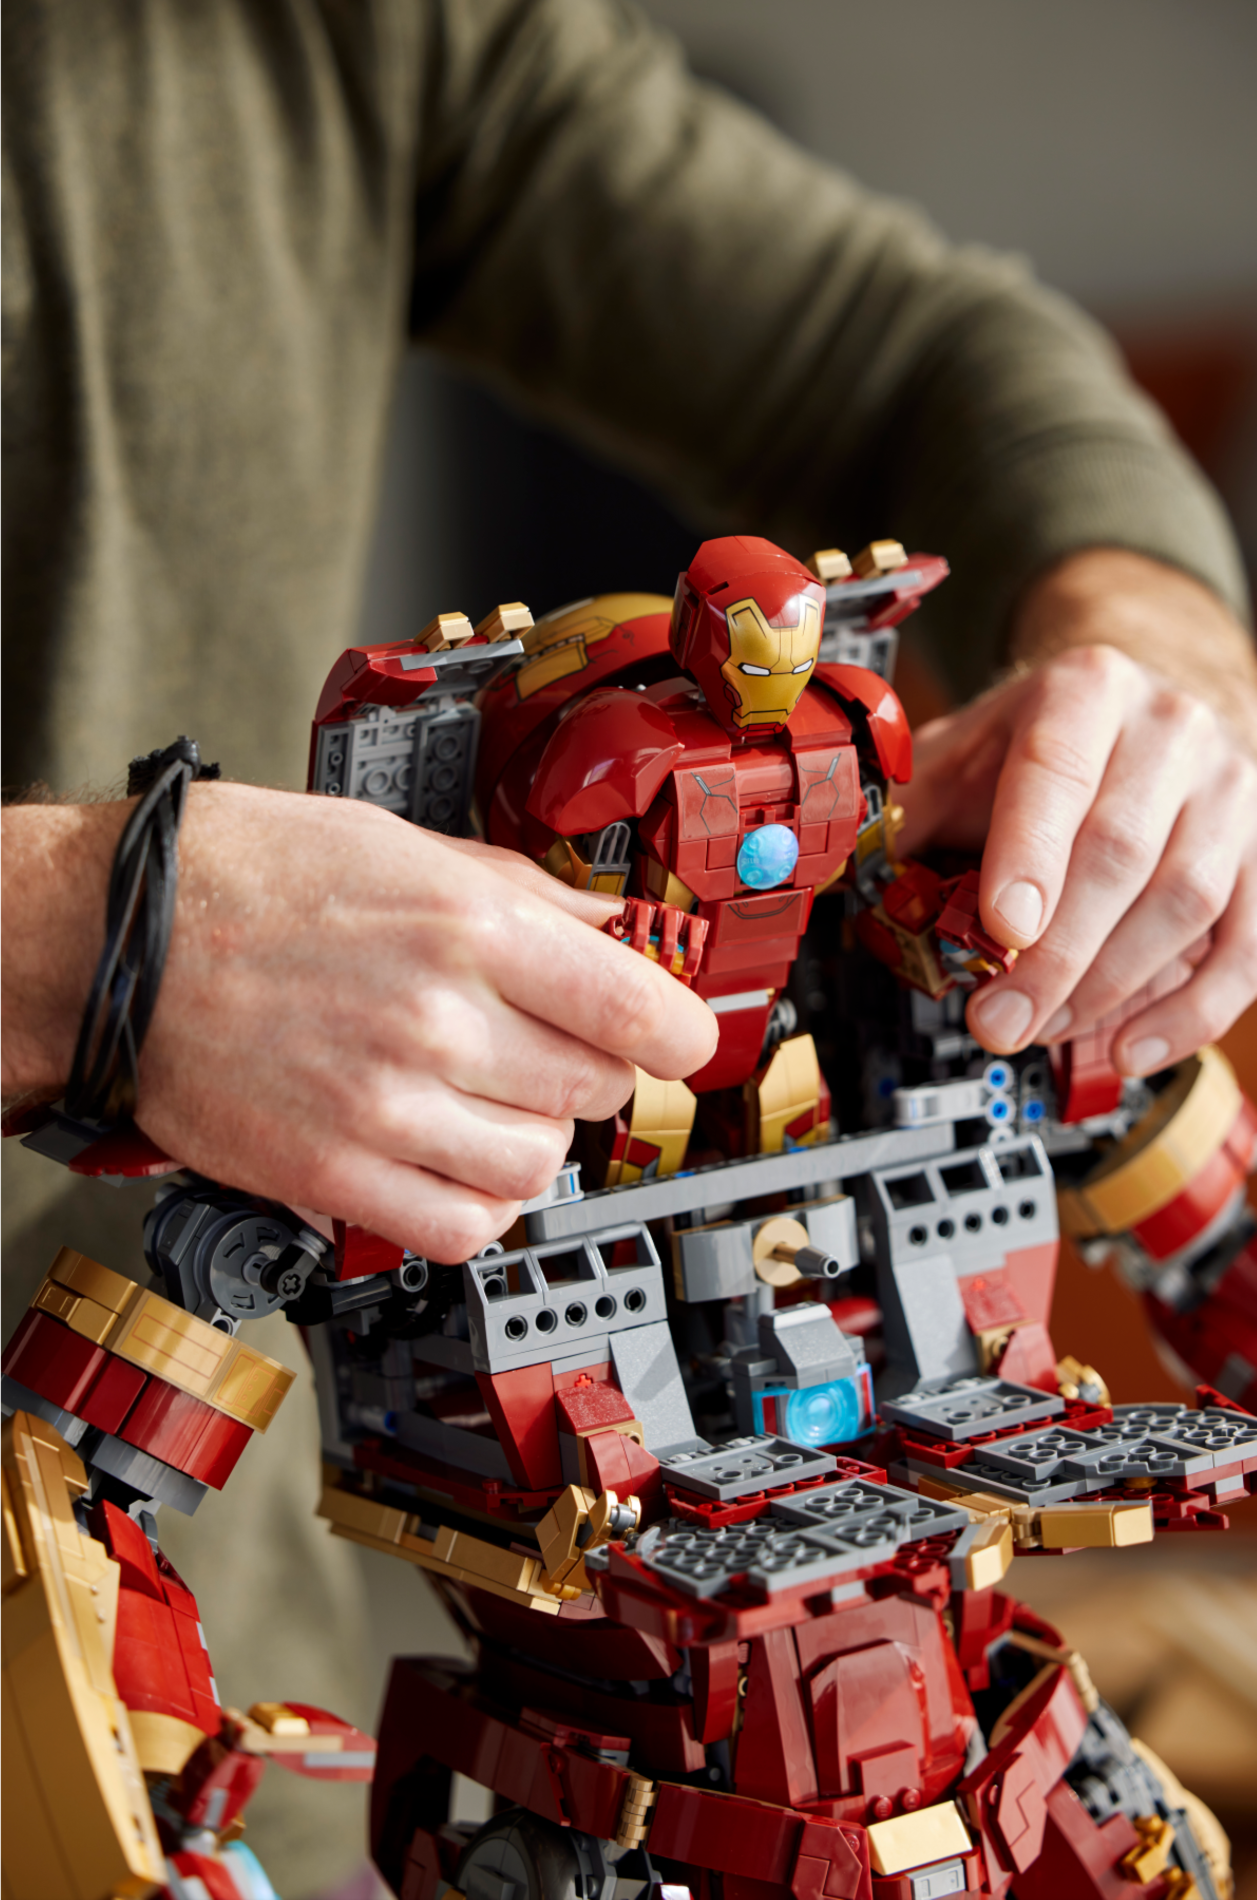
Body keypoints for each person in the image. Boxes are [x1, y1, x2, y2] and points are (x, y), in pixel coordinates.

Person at [3, 1, 1256, 1888]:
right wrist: (67, 941)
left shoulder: (346, 29)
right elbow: (84, 1500)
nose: (741, 894)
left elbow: (916, 356)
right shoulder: (359, 1175)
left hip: (967, 1733)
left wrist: (1160, 654)